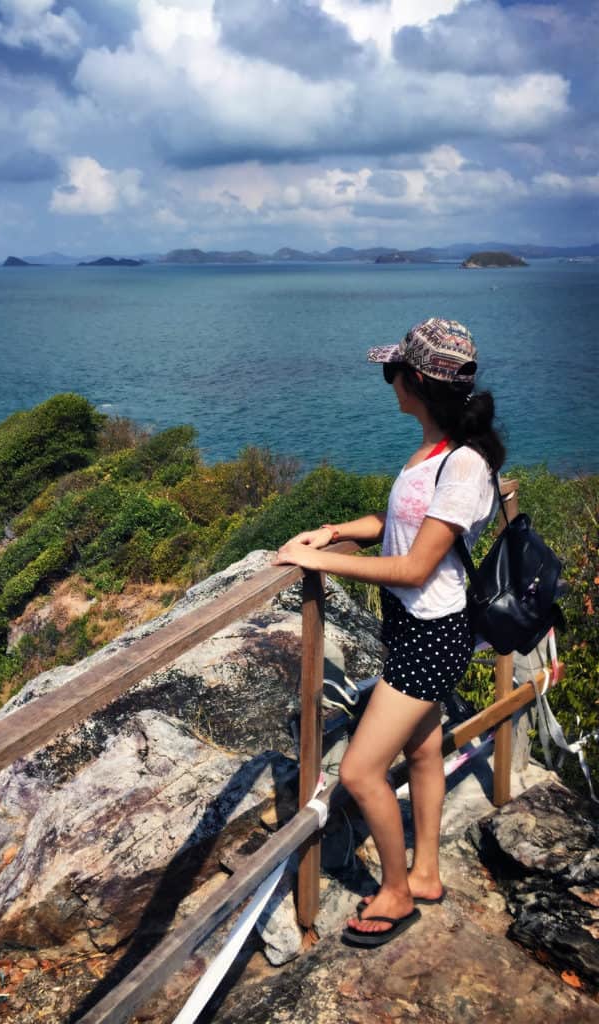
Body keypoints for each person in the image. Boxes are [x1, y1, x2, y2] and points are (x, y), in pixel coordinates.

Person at [274, 318, 505, 947]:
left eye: (392, 371)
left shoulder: (463, 466)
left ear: (417, 381)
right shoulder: (432, 448)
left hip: (433, 632)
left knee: (358, 771)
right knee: (424, 750)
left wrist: (318, 562)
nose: (388, 382)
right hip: (411, 626)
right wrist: (335, 531)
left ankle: (397, 892)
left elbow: (414, 565)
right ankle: (425, 872)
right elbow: (399, 522)